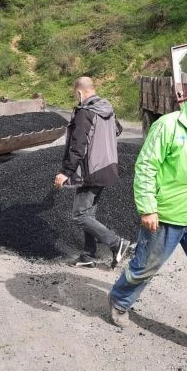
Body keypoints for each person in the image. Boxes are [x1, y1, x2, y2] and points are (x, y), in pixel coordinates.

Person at [107, 78, 187, 363]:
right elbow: (145, 167)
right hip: (165, 215)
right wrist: (148, 208)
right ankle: (119, 300)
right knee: (145, 266)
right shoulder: (167, 125)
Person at [54, 76, 131, 268]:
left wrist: (66, 172)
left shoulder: (85, 113)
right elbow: (117, 130)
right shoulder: (107, 109)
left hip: (92, 171)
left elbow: (77, 146)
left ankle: (117, 243)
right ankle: (88, 255)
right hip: (108, 167)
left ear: (80, 92)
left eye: (75, 95)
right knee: (89, 214)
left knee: (80, 215)